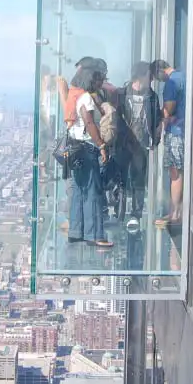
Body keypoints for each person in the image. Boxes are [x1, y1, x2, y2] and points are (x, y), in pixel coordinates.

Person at [67, 66, 114, 249]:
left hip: (75, 147)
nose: (100, 84)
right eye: (98, 80)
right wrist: (101, 145)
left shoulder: (77, 96)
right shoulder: (86, 98)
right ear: (91, 80)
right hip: (87, 148)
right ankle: (95, 235)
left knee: (79, 191)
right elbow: (89, 122)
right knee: (93, 193)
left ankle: (76, 231)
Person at [116, 61, 162, 231]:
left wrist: (154, 141)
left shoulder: (152, 97)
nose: (151, 79)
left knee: (138, 179)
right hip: (123, 142)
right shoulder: (121, 94)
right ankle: (119, 211)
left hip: (141, 143)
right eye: (148, 75)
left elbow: (157, 120)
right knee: (120, 177)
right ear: (140, 76)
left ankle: (135, 213)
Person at [152, 59, 186, 228]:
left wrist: (159, 123)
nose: (159, 82)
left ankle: (175, 213)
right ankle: (178, 211)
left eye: (157, 78)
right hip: (187, 131)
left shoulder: (171, 82)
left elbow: (169, 108)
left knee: (175, 172)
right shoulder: (185, 77)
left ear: (160, 72)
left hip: (176, 133)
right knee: (182, 171)